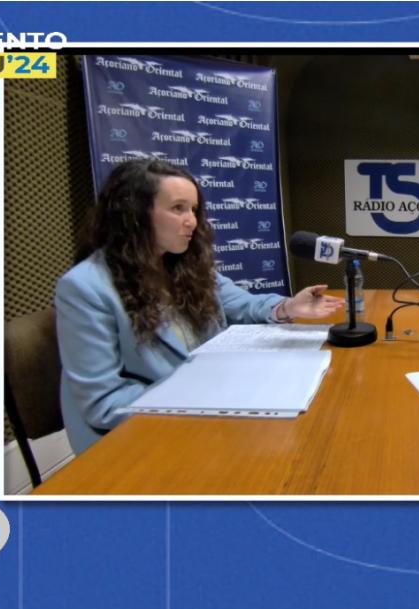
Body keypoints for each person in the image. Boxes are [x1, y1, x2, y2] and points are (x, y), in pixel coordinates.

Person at [55, 159, 343, 454]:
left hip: (205, 410)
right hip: (136, 441)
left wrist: (288, 307)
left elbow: (243, 304)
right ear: (134, 213)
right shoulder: (85, 288)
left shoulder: (185, 266)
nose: (192, 221)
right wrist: (201, 395)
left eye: (193, 209)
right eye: (178, 208)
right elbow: (104, 404)